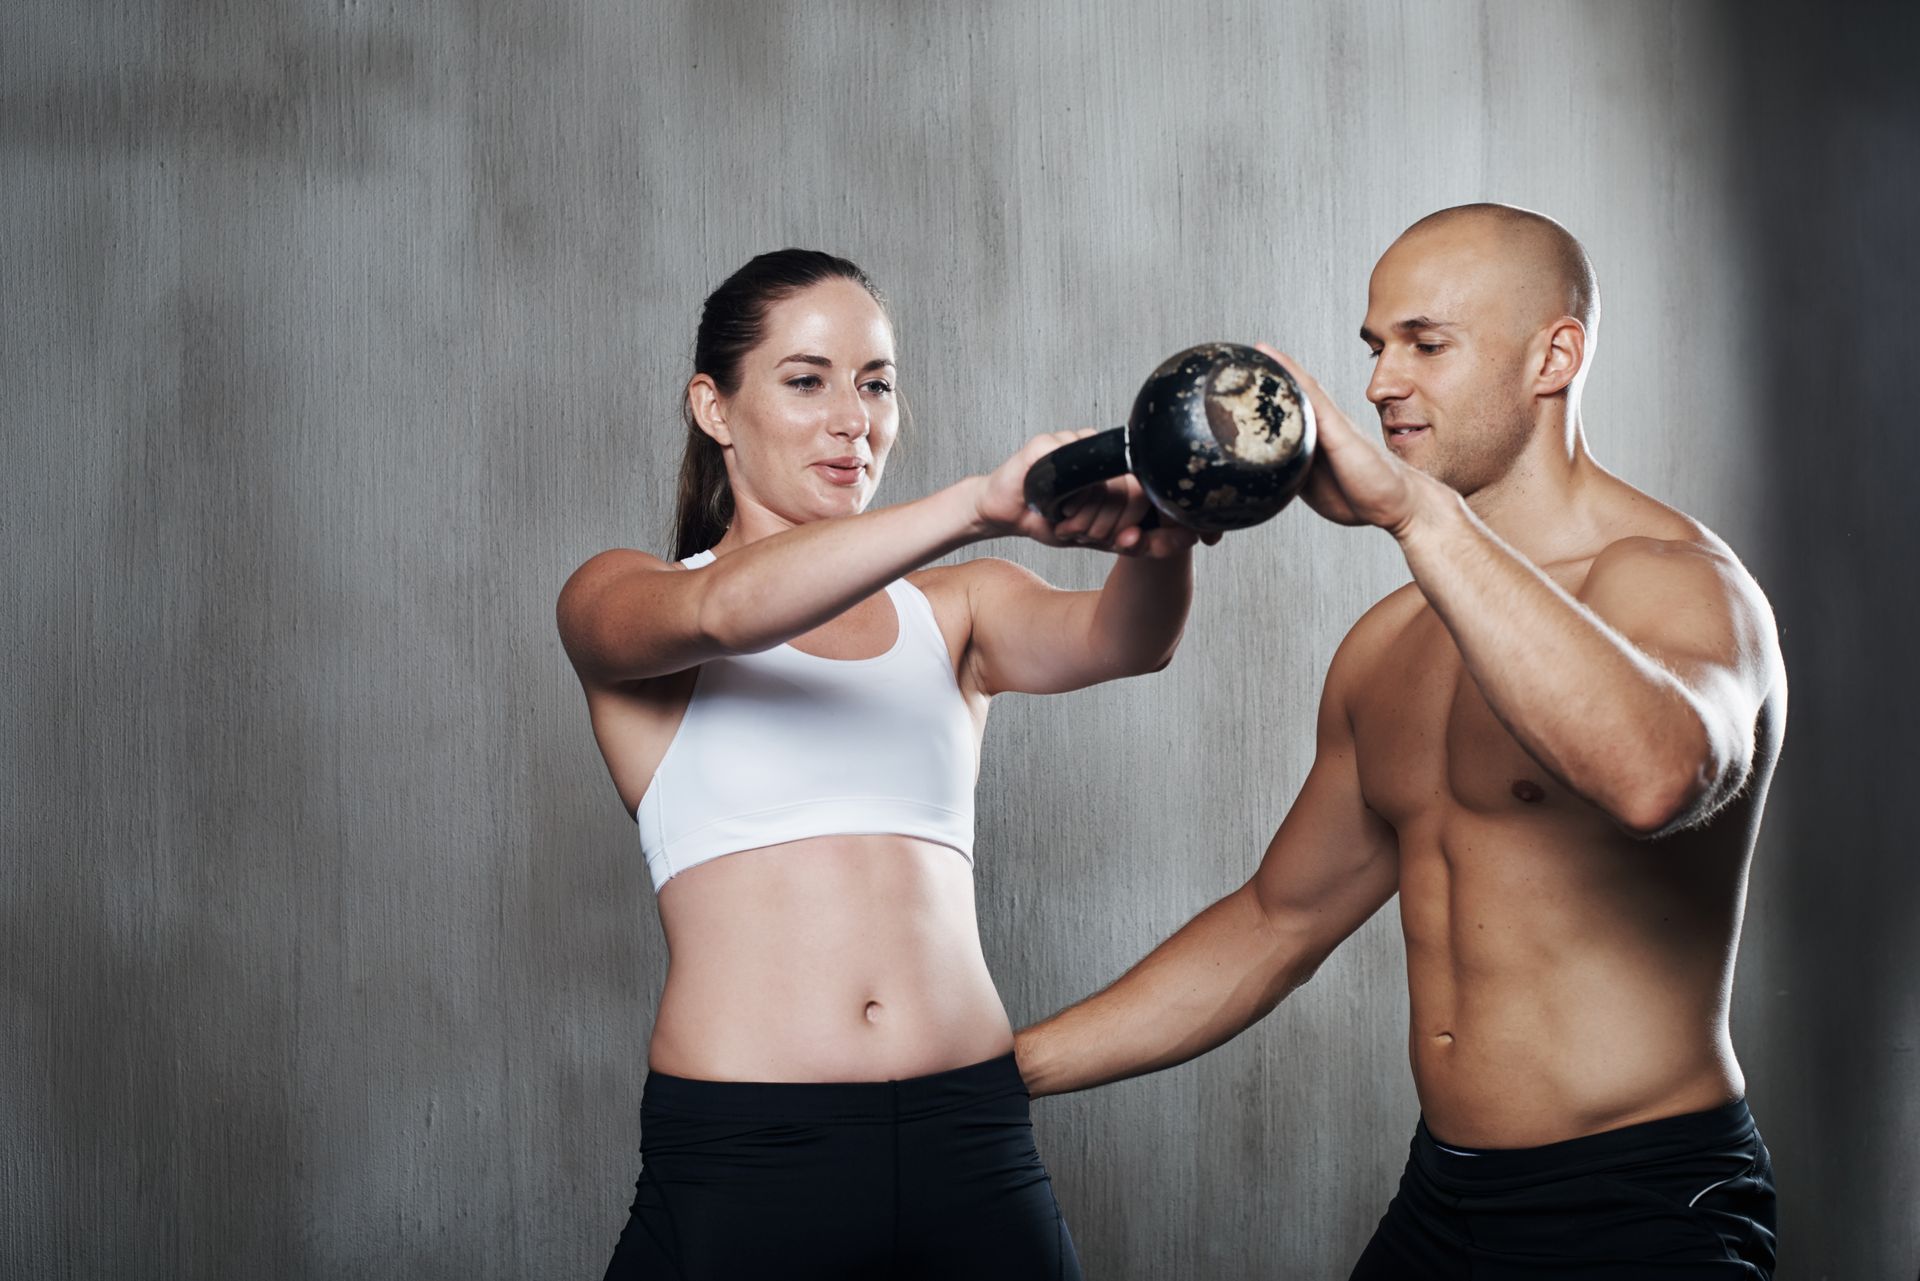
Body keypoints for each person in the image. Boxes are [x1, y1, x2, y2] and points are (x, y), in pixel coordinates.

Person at [1015, 205, 1785, 1278]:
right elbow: (1274, 923)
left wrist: (1418, 519)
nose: (1380, 385)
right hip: (1445, 1199)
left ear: (1553, 356)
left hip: (1640, 1204)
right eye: (1375, 347)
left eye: (1426, 344)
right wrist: (1001, 1075)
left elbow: (1657, 776)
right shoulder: (1390, 647)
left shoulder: (1676, 583)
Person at [558, 248, 1205, 1280]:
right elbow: (729, 610)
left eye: (876, 383)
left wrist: (1160, 532)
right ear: (714, 408)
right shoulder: (623, 593)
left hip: (971, 1139)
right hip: (752, 1152)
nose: (853, 419)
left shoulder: (955, 608)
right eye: (806, 380)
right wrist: (974, 504)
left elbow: (1131, 643)